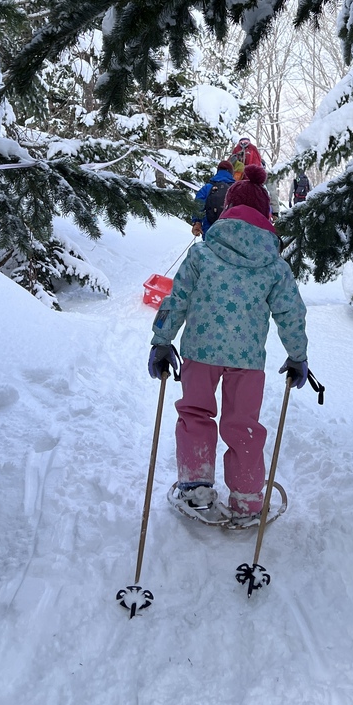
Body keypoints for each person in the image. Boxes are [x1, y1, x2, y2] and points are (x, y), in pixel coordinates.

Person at [147, 164, 308, 522]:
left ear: (227, 213)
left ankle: (196, 491)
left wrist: (161, 340)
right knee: (243, 425)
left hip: (200, 353)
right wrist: (298, 355)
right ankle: (248, 500)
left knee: (195, 414)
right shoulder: (274, 266)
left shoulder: (202, 254)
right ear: (266, 217)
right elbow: (291, 313)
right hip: (247, 360)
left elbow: (177, 299)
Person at [191, 159, 235, 238]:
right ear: (231, 173)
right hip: (230, 231)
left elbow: (198, 205)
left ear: (218, 171)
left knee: (208, 248)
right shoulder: (236, 188)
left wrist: (197, 222)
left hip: (210, 228)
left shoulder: (208, 187)